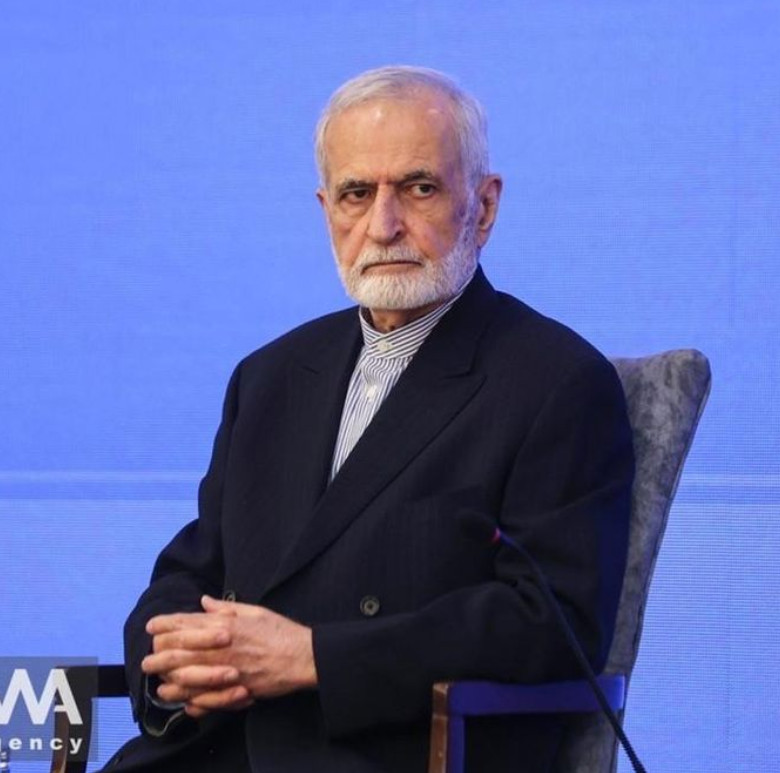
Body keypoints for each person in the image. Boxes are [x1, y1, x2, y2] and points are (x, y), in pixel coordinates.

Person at [102, 65, 634, 773]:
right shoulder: (270, 376)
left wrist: (314, 657)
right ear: (327, 209)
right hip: (212, 748)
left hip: (381, 752)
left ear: (483, 206)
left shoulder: (555, 382)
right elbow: (192, 569)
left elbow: (550, 622)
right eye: (357, 193)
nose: (383, 226)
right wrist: (170, 656)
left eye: (418, 188)